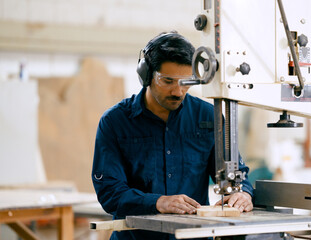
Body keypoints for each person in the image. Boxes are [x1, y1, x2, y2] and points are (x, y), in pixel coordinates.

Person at [91, 31, 254, 240]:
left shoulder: (208, 117)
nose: (178, 91)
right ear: (147, 75)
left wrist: (242, 194)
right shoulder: (115, 122)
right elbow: (109, 191)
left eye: (186, 82)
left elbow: (235, 172)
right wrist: (158, 202)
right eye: (167, 81)